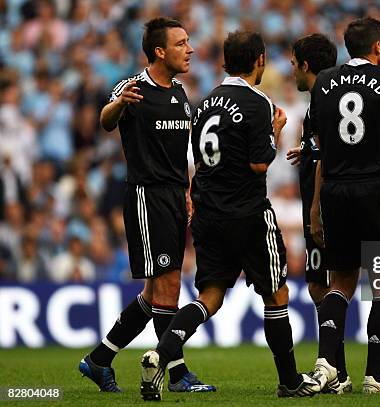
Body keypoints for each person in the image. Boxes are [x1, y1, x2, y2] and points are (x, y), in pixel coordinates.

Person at [139, 30, 318, 401]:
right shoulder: (258, 103)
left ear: (225, 62)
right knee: (276, 293)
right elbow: (258, 163)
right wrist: (275, 131)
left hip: (208, 213)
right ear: (260, 60)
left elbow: (202, 160)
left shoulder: (204, 102)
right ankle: (288, 380)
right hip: (249, 213)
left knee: (210, 295)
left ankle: (163, 353)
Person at [79, 17, 214, 394]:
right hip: (146, 195)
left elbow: (178, 153)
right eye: (181, 43)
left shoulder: (180, 94)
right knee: (169, 286)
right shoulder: (133, 87)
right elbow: (106, 121)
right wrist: (119, 104)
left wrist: (187, 190)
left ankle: (98, 360)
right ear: (160, 51)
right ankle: (177, 375)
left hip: (173, 196)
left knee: (154, 294)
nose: (190, 49)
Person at [302, 17, 380, 395]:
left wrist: (314, 208)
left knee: (341, 282)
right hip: (376, 189)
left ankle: (328, 365)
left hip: (336, 190)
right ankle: (374, 377)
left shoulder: (324, 81)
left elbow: (321, 145)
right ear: (378, 47)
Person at [286, 33, 352, 394]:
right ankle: (337, 371)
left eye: (294, 63)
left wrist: (315, 209)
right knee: (316, 286)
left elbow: (331, 153)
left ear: (306, 65)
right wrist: (308, 151)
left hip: (325, 206)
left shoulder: (324, 101)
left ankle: (336, 371)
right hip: (315, 200)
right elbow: (324, 149)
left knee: (331, 285)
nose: (292, 70)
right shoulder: (316, 104)